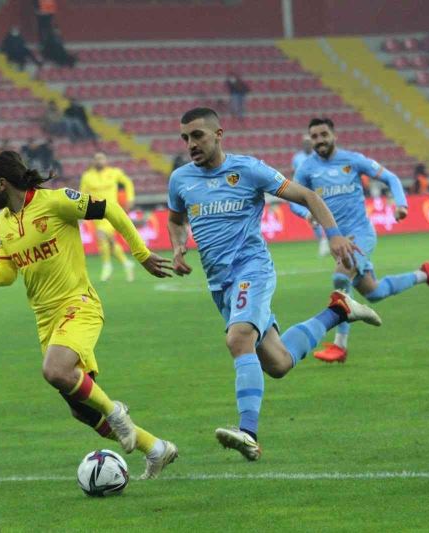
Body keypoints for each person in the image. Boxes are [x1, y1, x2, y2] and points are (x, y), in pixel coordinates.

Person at [167, 108, 383, 461]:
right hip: (220, 285)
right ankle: (339, 311)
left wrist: (334, 235)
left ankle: (248, 433)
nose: (190, 144)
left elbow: (309, 196)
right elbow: (176, 220)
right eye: (185, 138)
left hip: (252, 271)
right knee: (278, 363)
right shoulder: (180, 180)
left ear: (218, 134)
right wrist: (178, 247)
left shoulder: (249, 169)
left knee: (238, 339)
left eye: (198, 135)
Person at [0, 150, 178, 479]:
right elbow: (9, 271)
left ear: (1, 183)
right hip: (45, 320)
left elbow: (110, 208)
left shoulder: (55, 202)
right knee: (83, 411)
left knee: (55, 371)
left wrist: (141, 254)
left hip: (77, 304)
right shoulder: (4, 222)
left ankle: (116, 412)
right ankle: (156, 448)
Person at [291, 117, 429, 364]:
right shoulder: (307, 168)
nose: (319, 140)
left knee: (340, 277)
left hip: (360, 234)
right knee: (374, 292)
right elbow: (292, 199)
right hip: (337, 238)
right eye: (314, 136)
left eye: (324, 134)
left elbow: (392, 178)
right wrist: (306, 213)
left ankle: (340, 345)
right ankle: (424, 275)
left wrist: (401, 205)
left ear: (334, 136)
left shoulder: (353, 160)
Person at [80, 152, 137, 282]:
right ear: (93, 161)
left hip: (111, 211)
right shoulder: (87, 176)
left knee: (101, 235)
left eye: (101, 158)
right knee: (109, 242)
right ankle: (127, 263)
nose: (99, 161)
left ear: (106, 160)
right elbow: (82, 194)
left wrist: (130, 198)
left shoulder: (114, 172)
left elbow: (128, 182)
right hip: (95, 213)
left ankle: (107, 266)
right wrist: (81, 211)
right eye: (96, 159)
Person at [292, 135, 329, 257]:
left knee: (323, 212)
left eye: (309, 143)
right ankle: (322, 241)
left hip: (317, 188)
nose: (307, 145)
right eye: (305, 143)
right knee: (311, 215)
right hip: (303, 189)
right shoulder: (297, 158)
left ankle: (329, 238)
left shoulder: (318, 156)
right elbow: (294, 173)